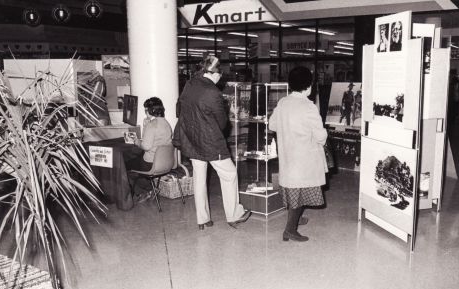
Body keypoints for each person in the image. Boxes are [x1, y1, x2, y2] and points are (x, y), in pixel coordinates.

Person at [174, 55, 251, 230]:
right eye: (220, 76)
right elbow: (222, 122)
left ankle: (203, 219)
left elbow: (179, 108)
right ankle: (234, 214)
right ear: (215, 74)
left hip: (191, 139)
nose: (220, 79)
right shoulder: (213, 92)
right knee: (229, 174)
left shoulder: (189, 84)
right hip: (210, 141)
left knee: (199, 178)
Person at [269, 66, 328, 242]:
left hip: (288, 157)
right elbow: (320, 135)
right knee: (300, 192)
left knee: (294, 191)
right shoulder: (308, 107)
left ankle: (295, 219)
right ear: (309, 86)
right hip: (304, 159)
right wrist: (324, 136)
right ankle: (289, 230)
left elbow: (272, 125)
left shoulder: (283, 102)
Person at [125, 97, 173, 200]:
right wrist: (146, 125)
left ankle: (146, 190)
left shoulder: (152, 125)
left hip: (150, 163)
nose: (145, 112)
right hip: (165, 163)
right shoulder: (166, 124)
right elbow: (151, 141)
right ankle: (150, 188)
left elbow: (146, 146)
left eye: (146, 110)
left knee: (125, 165)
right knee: (136, 160)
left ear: (151, 110)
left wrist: (136, 141)